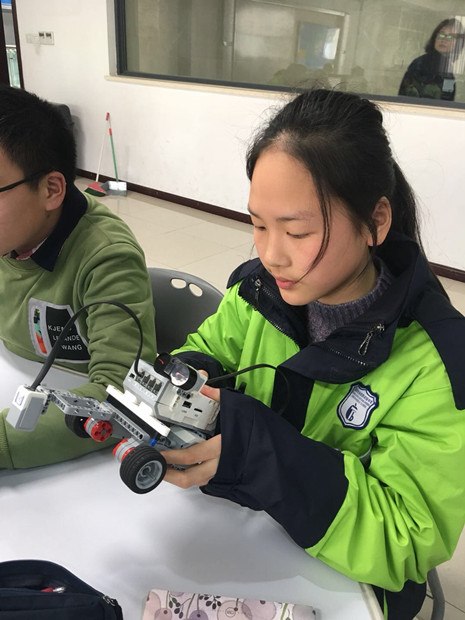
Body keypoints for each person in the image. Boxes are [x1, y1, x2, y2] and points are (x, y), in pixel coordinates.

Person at [159, 89, 465, 619]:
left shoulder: (437, 360)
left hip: (351, 581)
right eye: (258, 225)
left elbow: (407, 540)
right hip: (242, 534)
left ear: (376, 222)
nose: (270, 254)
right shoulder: (256, 292)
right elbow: (207, 347)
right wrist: (190, 378)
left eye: (297, 231)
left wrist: (264, 457)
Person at [0, 85, 156, 468]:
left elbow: (120, 393)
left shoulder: (106, 255)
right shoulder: (11, 235)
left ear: (51, 189)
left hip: (76, 443)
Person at [399, 18, 465, 101]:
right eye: (441, 35)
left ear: (458, 43)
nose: (443, 40)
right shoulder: (421, 63)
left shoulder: (447, 68)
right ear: (435, 38)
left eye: (450, 37)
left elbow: (446, 98)